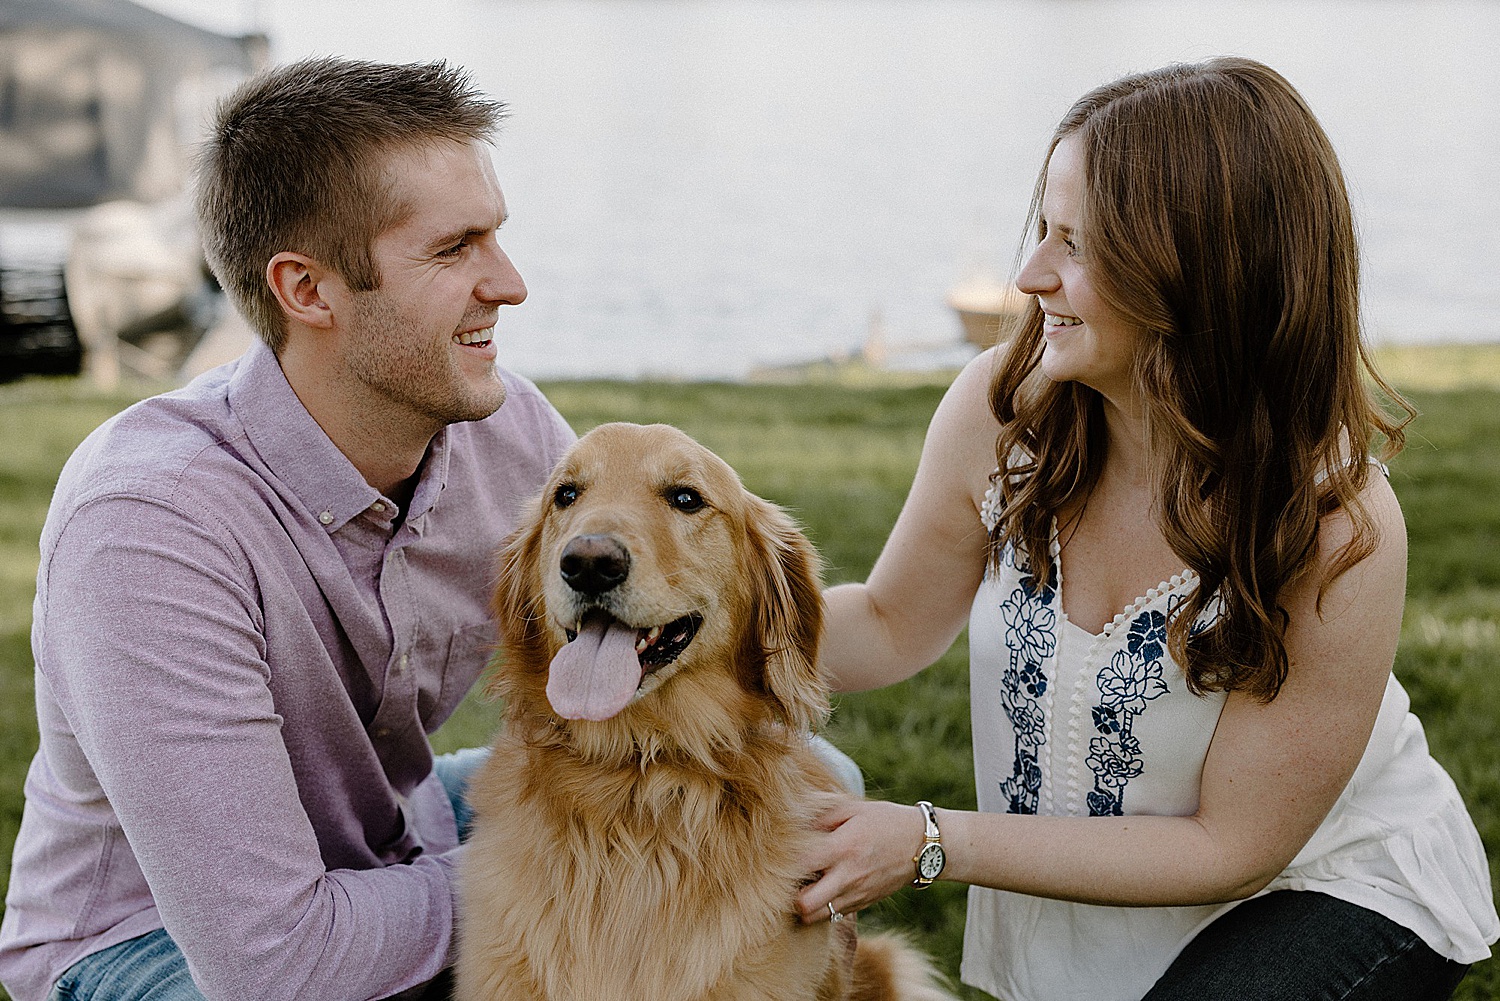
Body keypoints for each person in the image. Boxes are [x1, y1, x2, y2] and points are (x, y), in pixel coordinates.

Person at [795, 57, 1498, 1000]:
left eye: (1074, 245)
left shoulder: (1338, 523)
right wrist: (692, 627)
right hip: (1118, 901)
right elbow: (887, 621)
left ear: (1197, 274)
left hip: (1322, 885)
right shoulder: (1005, 412)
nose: (1030, 273)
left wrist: (928, 840)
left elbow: (1232, 847)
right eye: (1040, 228)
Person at [0, 57, 577, 1001]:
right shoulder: (148, 528)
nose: (508, 285)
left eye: (497, 237)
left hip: (394, 838)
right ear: (307, 291)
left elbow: (682, 628)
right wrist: (593, 869)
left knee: (811, 780)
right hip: (150, 945)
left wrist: (915, 835)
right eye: (453, 249)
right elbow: (275, 965)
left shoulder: (507, 433)